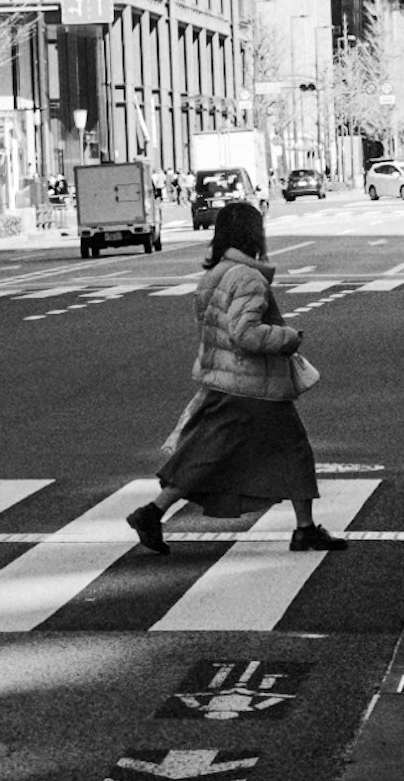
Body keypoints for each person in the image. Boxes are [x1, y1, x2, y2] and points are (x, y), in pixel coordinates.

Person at [131, 194, 325, 557]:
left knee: (208, 454)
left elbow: (213, 332)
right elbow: (245, 333)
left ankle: (152, 512)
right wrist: (288, 338)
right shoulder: (248, 278)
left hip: (223, 381)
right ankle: (305, 530)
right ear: (254, 235)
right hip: (254, 386)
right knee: (293, 449)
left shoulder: (212, 277)